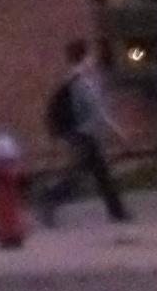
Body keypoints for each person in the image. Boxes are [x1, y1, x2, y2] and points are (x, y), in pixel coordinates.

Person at [36, 37, 131, 224]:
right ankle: (50, 198)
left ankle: (117, 212)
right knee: (80, 177)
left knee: (100, 174)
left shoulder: (72, 80)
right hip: (84, 136)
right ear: (85, 57)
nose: (93, 59)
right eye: (89, 55)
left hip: (82, 135)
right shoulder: (83, 82)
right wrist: (119, 133)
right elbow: (98, 112)